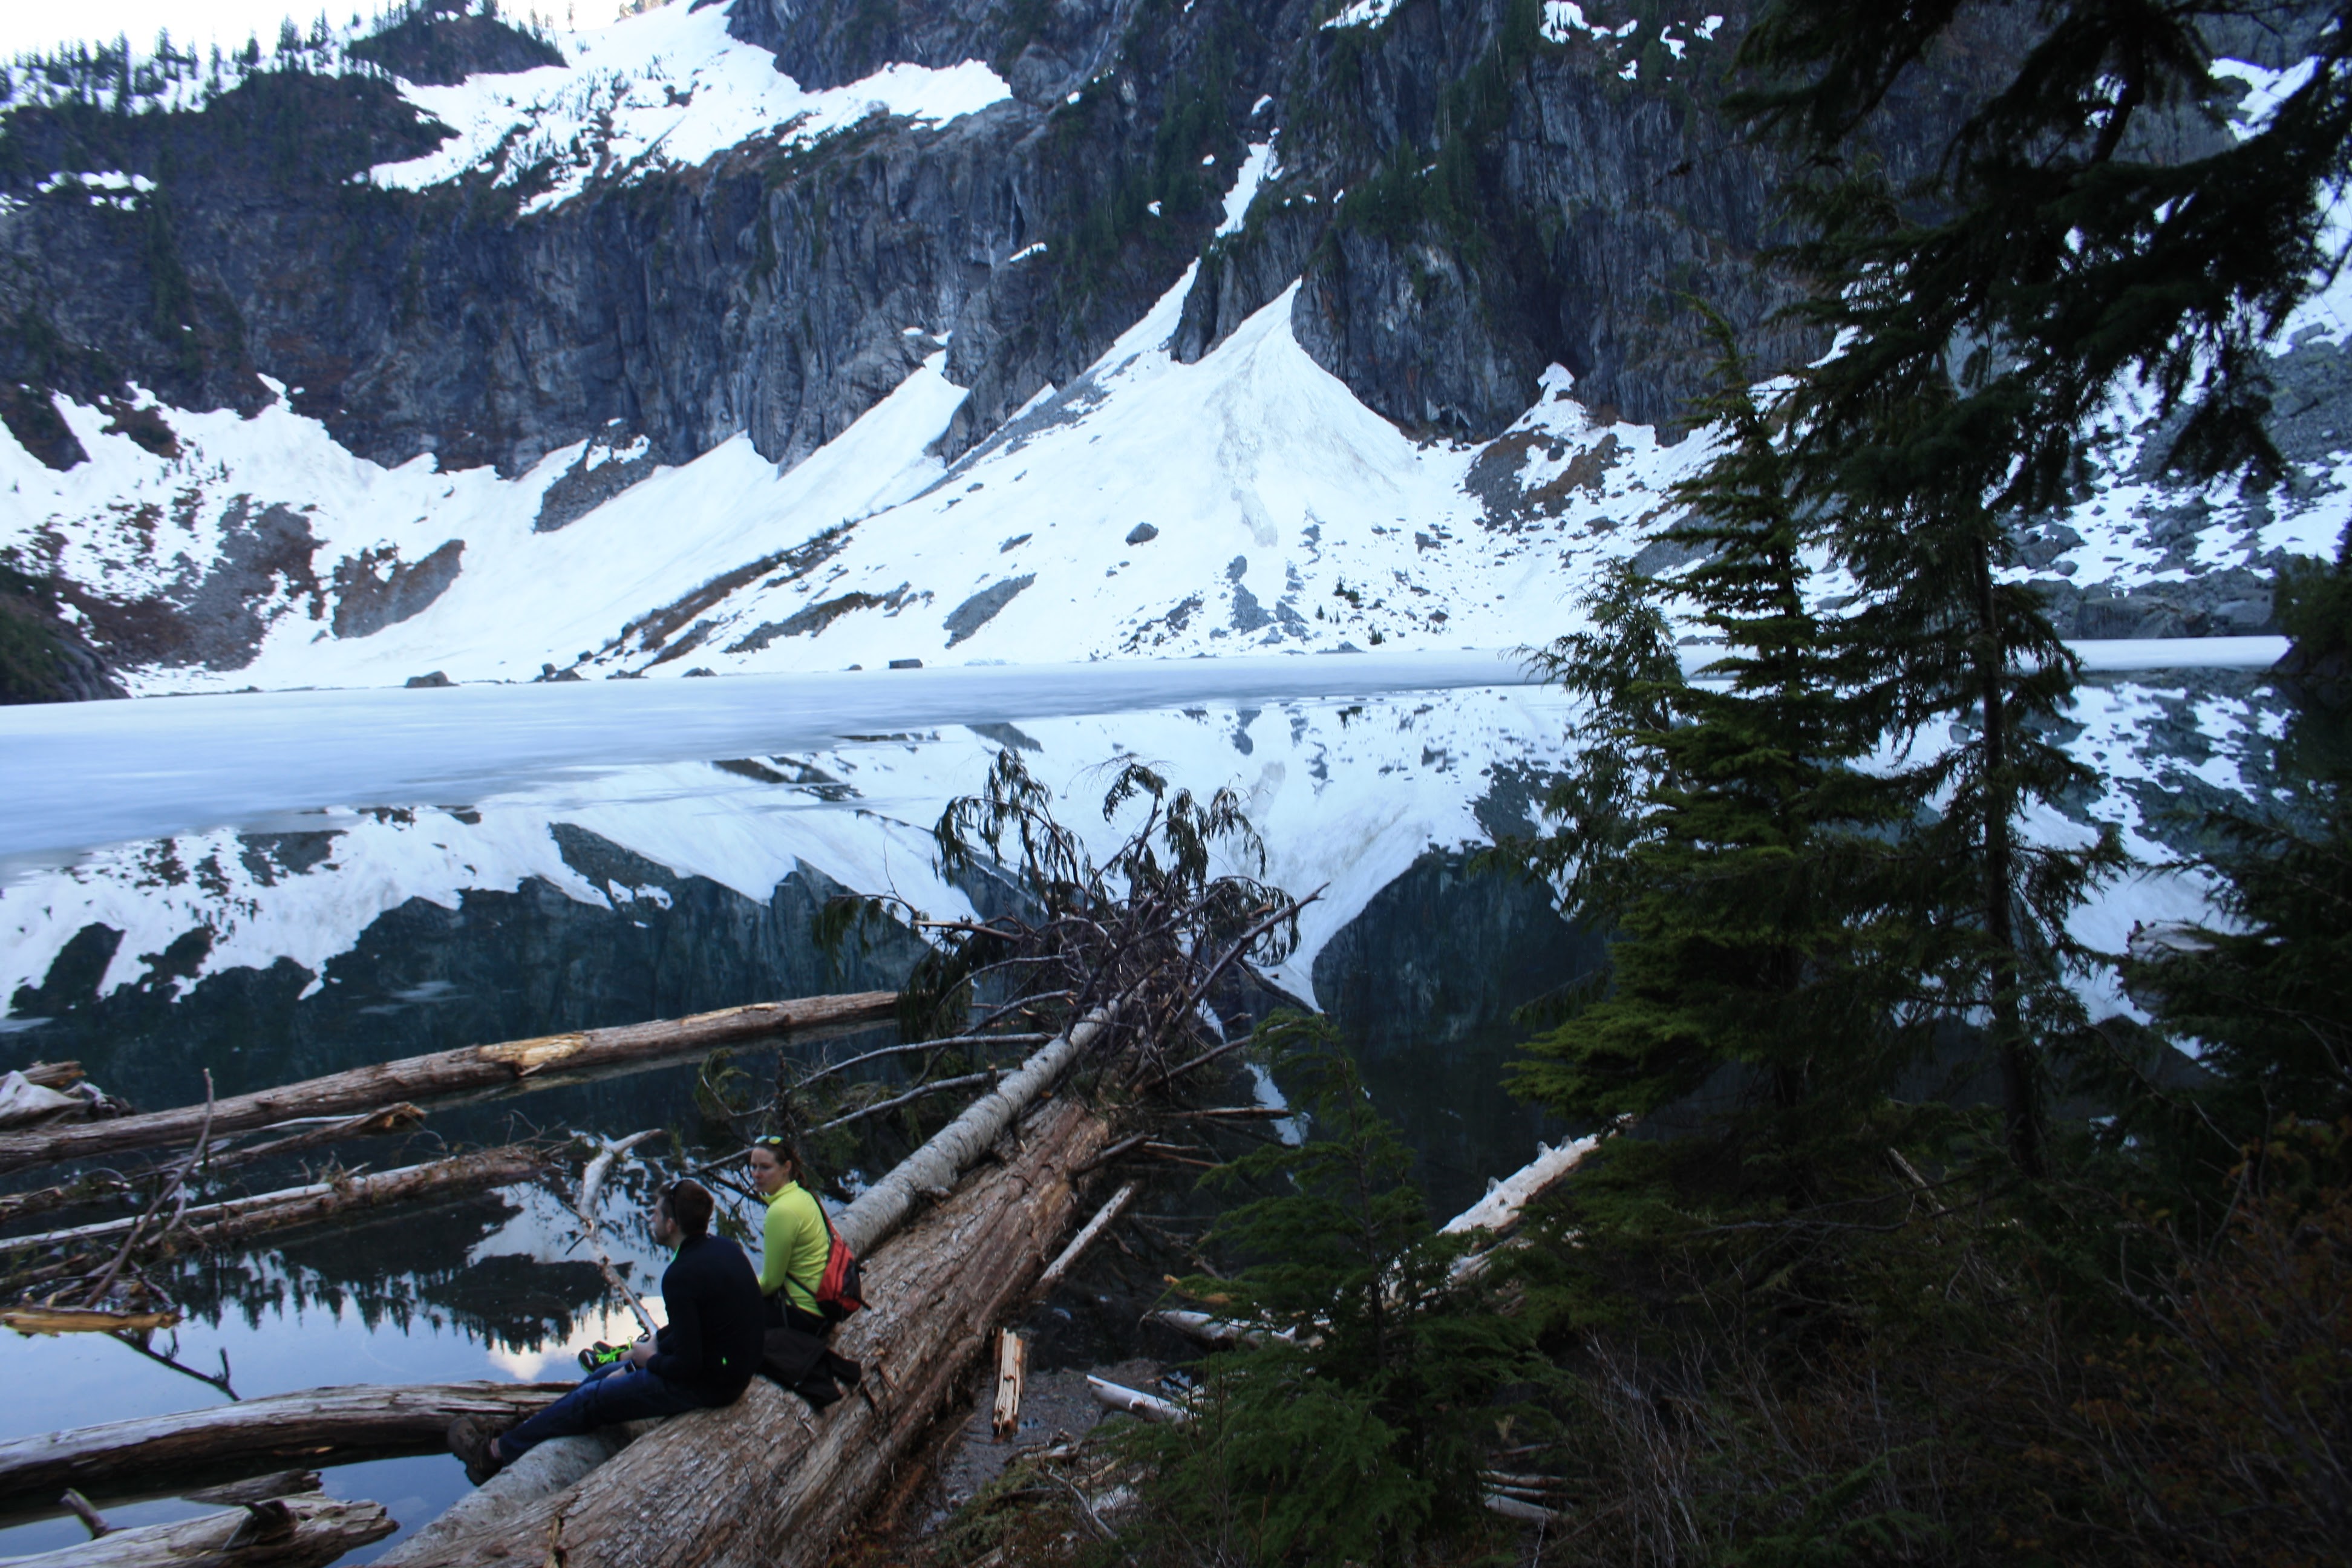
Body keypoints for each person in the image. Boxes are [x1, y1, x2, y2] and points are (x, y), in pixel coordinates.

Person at [446, 1178, 764, 1486]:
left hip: (711, 1387)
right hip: (729, 1371)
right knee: (606, 1373)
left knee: (592, 1398)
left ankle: (489, 1456)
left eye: (656, 1213)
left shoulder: (680, 1275)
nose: (651, 1217)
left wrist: (648, 1359)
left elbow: (688, 1365)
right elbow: (701, 1324)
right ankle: (531, 1429)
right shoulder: (723, 1249)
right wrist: (653, 1346)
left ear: (671, 1225)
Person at [747, 1134, 831, 1333]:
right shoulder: (803, 1195)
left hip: (801, 1313)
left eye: (765, 1167)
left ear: (786, 1168)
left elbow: (770, 1283)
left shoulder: (781, 1211)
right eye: (753, 1166)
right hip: (821, 1305)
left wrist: (740, 1291)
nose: (756, 1174)